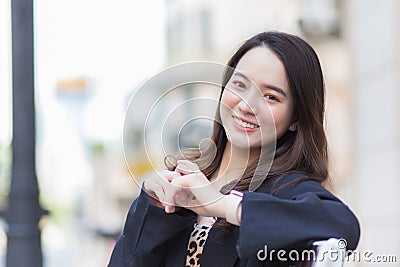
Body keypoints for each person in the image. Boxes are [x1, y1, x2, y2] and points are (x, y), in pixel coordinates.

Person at [108, 31, 360, 267]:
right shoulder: (181, 185)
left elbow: (341, 225)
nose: (246, 105)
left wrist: (223, 205)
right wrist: (151, 208)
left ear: (296, 118)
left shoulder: (289, 192)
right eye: (239, 85)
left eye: (271, 96)